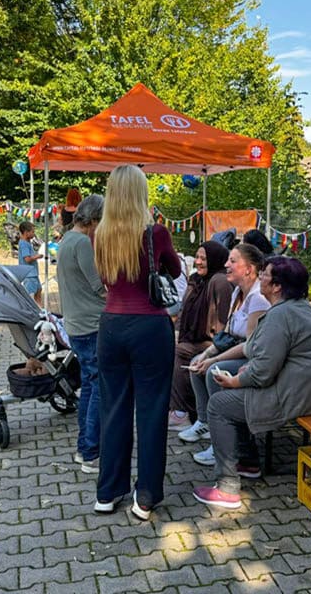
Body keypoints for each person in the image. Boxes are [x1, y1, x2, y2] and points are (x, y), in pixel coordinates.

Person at [193, 256, 311, 508]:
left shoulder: (280, 315)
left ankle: (227, 487)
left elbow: (263, 372)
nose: (261, 278)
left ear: (277, 286)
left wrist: (236, 381)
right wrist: (235, 369)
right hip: (307, 391)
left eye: (265, 275)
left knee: (218, 405)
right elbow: (266, 354)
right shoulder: (298, 308)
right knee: (219, 381)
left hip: (295, 396)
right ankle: (247, 460)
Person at [94, 165, 180, 521]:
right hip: (150, 326)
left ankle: (107, 492)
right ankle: (145, 497)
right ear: (140, 193)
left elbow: (105, 277)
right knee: (151, 411)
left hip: (111, 325)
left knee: (113, 409)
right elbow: (175, 270)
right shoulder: (155, 233)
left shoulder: (99, 235)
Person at [180, 244, 270, 468]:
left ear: (249, 269)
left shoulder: (258, 298)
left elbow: (250, 346)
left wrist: (214, 360)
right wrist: (207, 354)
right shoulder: (237, 292)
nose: (226, 265)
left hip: (253, 358)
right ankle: (204, 422)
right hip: (236, 349)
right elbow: (227, 334)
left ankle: (222, 442)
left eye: (232, 261)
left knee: (213, 371)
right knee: (197, 362)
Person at [57, 194, 105, 475]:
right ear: (94, 219)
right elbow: (98, 286)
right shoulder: (82, 244)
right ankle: (91, 453)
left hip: (76, 325)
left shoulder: (66, 240)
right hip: (91, 325)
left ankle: (83, 447)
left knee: (88, 385)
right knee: (98, 388)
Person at [168, 241, 233, 430]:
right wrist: (176, 333)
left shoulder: (220, 281)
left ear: (214, 259)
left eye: (203, 258)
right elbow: (183, 310)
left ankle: (181, 412)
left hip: (213, 341)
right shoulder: (196, 280)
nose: (198, 262)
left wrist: (214, 348)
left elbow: (223, 322)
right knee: (168, 345)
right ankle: (176, 407)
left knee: (178, 352)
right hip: (195, 338)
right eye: (197, 257)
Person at [18, 221, 43, 306]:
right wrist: (37, 256)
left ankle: (40, 310)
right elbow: (27, 259)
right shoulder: (24, 244)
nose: (34, 234)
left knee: (39, 291)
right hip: (29, 275)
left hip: (33, 274)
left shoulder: (28, 242)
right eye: (32, 232)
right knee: (29, 296)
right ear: (26, 232)